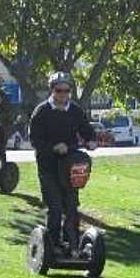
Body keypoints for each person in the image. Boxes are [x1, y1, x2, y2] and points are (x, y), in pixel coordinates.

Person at [28, 72, 94, 255]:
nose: (63, 94)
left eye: (66, 90)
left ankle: (72, 244)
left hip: (69, 168)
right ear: (52, 90)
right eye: (59, 90)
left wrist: (92, 140)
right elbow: (34, 140)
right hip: (48, 167)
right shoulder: (41, 111)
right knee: (55, 208)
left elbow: (87, 131)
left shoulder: (75, 111)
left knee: (72, 208)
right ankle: (53, 246)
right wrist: (53, 148)